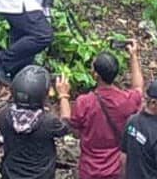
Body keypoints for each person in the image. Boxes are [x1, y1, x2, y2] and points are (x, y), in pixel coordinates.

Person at [59, 39, 145, 179]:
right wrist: (133, 57)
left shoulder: (84, 102)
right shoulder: (126, 100)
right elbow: (138, 88)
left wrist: (63, 95)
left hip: (90, 170)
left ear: (95, 75)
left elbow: (69, 126)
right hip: (117, 169)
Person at [0, 65, 70, 179]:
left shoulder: (4, 116)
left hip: (10, 174)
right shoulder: (48, 123)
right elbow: (66, 124)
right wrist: (63, 96)